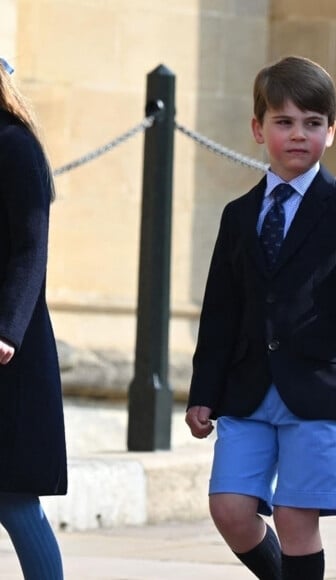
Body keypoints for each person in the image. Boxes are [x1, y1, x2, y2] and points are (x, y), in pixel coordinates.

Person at [185, 55, 336, 580]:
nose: (299, 135)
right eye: (284, 122)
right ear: (257, 128)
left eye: (313, 123)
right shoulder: (238, 215)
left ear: (331, 132)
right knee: (229, 508)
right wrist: (203, 390)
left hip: (317, 390)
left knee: (296, 518)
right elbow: (220, 312)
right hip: (245, 390)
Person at [0, 57, 67, 579]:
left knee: (14, 498)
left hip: (7, 353)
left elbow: (30, 247)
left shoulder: (15, 145)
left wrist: (6, 329)